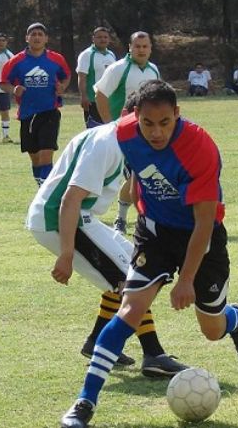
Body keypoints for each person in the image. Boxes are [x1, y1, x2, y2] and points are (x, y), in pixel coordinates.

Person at [60, 80, 238, 428]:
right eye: (148, 123)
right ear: (135, 117)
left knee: (211, 329)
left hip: (202, 236)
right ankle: (85, 402)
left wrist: (186, 280)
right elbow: (138, 166)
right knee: (130, 308)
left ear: (177, 115)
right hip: (154, 233)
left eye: (165, 122)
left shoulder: (199, 147)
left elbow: (204, 221)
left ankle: (236, 319)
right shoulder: (123, 133)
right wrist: (138, 195)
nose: (156, 132)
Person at [26, 92, 187, 380]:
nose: (151, 130)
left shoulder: (128, 143)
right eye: (145, 121)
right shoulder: (106, 143)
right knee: (130, 282)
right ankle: (154, 354)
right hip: (60, 219)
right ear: (129, 114)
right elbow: (70, 199)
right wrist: (66, 254)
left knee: (135, 273)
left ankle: (96, 342)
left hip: (82, 219)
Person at [93, 31, 161, 234]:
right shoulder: (118, 69)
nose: (141, 50)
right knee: (136, 176)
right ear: (130, 48)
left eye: (145, 46)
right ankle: (122, 218)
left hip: (149, 134)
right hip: (125, 134)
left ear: (150, 48)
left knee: (144, 175)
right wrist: (110, 124)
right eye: (137, 46)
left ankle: (140, 217)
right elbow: (100, 94)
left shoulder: (153, 70)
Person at [0, 23, 70, 187]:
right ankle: (41, 186)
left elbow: (66, 75)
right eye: (33, 34)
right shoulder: (16, 61)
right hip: (27, 114)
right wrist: (14, 89)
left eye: (40, 34)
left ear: (46, 38)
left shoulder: (56, 59)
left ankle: (47, 192)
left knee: (46, 152)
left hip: (50, 112)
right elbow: (3, 82)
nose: (37, 37)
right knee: (35, 156)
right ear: (27, 38)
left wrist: (62, 87)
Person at [76, 27, 117, 128]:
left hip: (110, 100)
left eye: (105, 37)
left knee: (110, 130)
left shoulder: (111, 55)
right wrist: (83, 96)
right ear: (93, 39)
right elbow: (82, 77)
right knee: (94, 130)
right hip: (93, 101)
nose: (102, 39)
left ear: (109, 39)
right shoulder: (87, 54)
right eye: (99, 37)